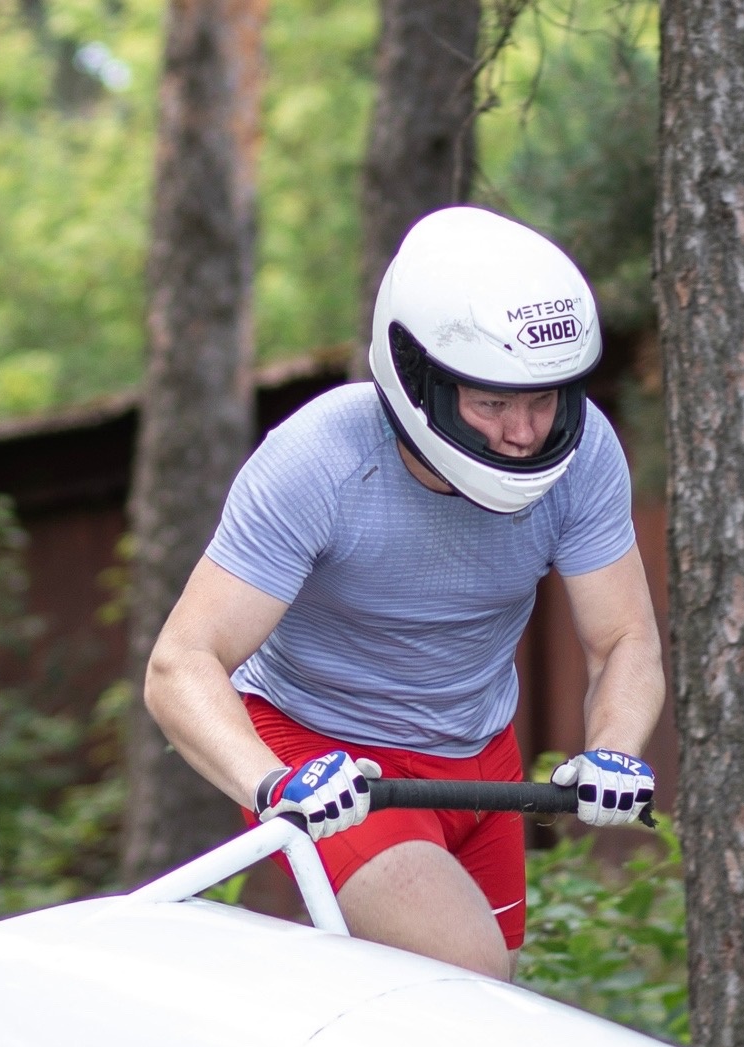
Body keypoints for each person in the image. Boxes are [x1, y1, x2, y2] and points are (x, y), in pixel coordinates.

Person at [144, 206, 664, 977]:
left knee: (472, 1013)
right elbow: (180, 663)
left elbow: (624, 639)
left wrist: (614, 752)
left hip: (480, 757)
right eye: (492, 402)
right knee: (471, 976)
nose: (523, 432)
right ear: (417, 377)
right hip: (325, 757)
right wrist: (274, 783)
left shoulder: (582, 458)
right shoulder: (318, 460)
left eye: (542, 399)